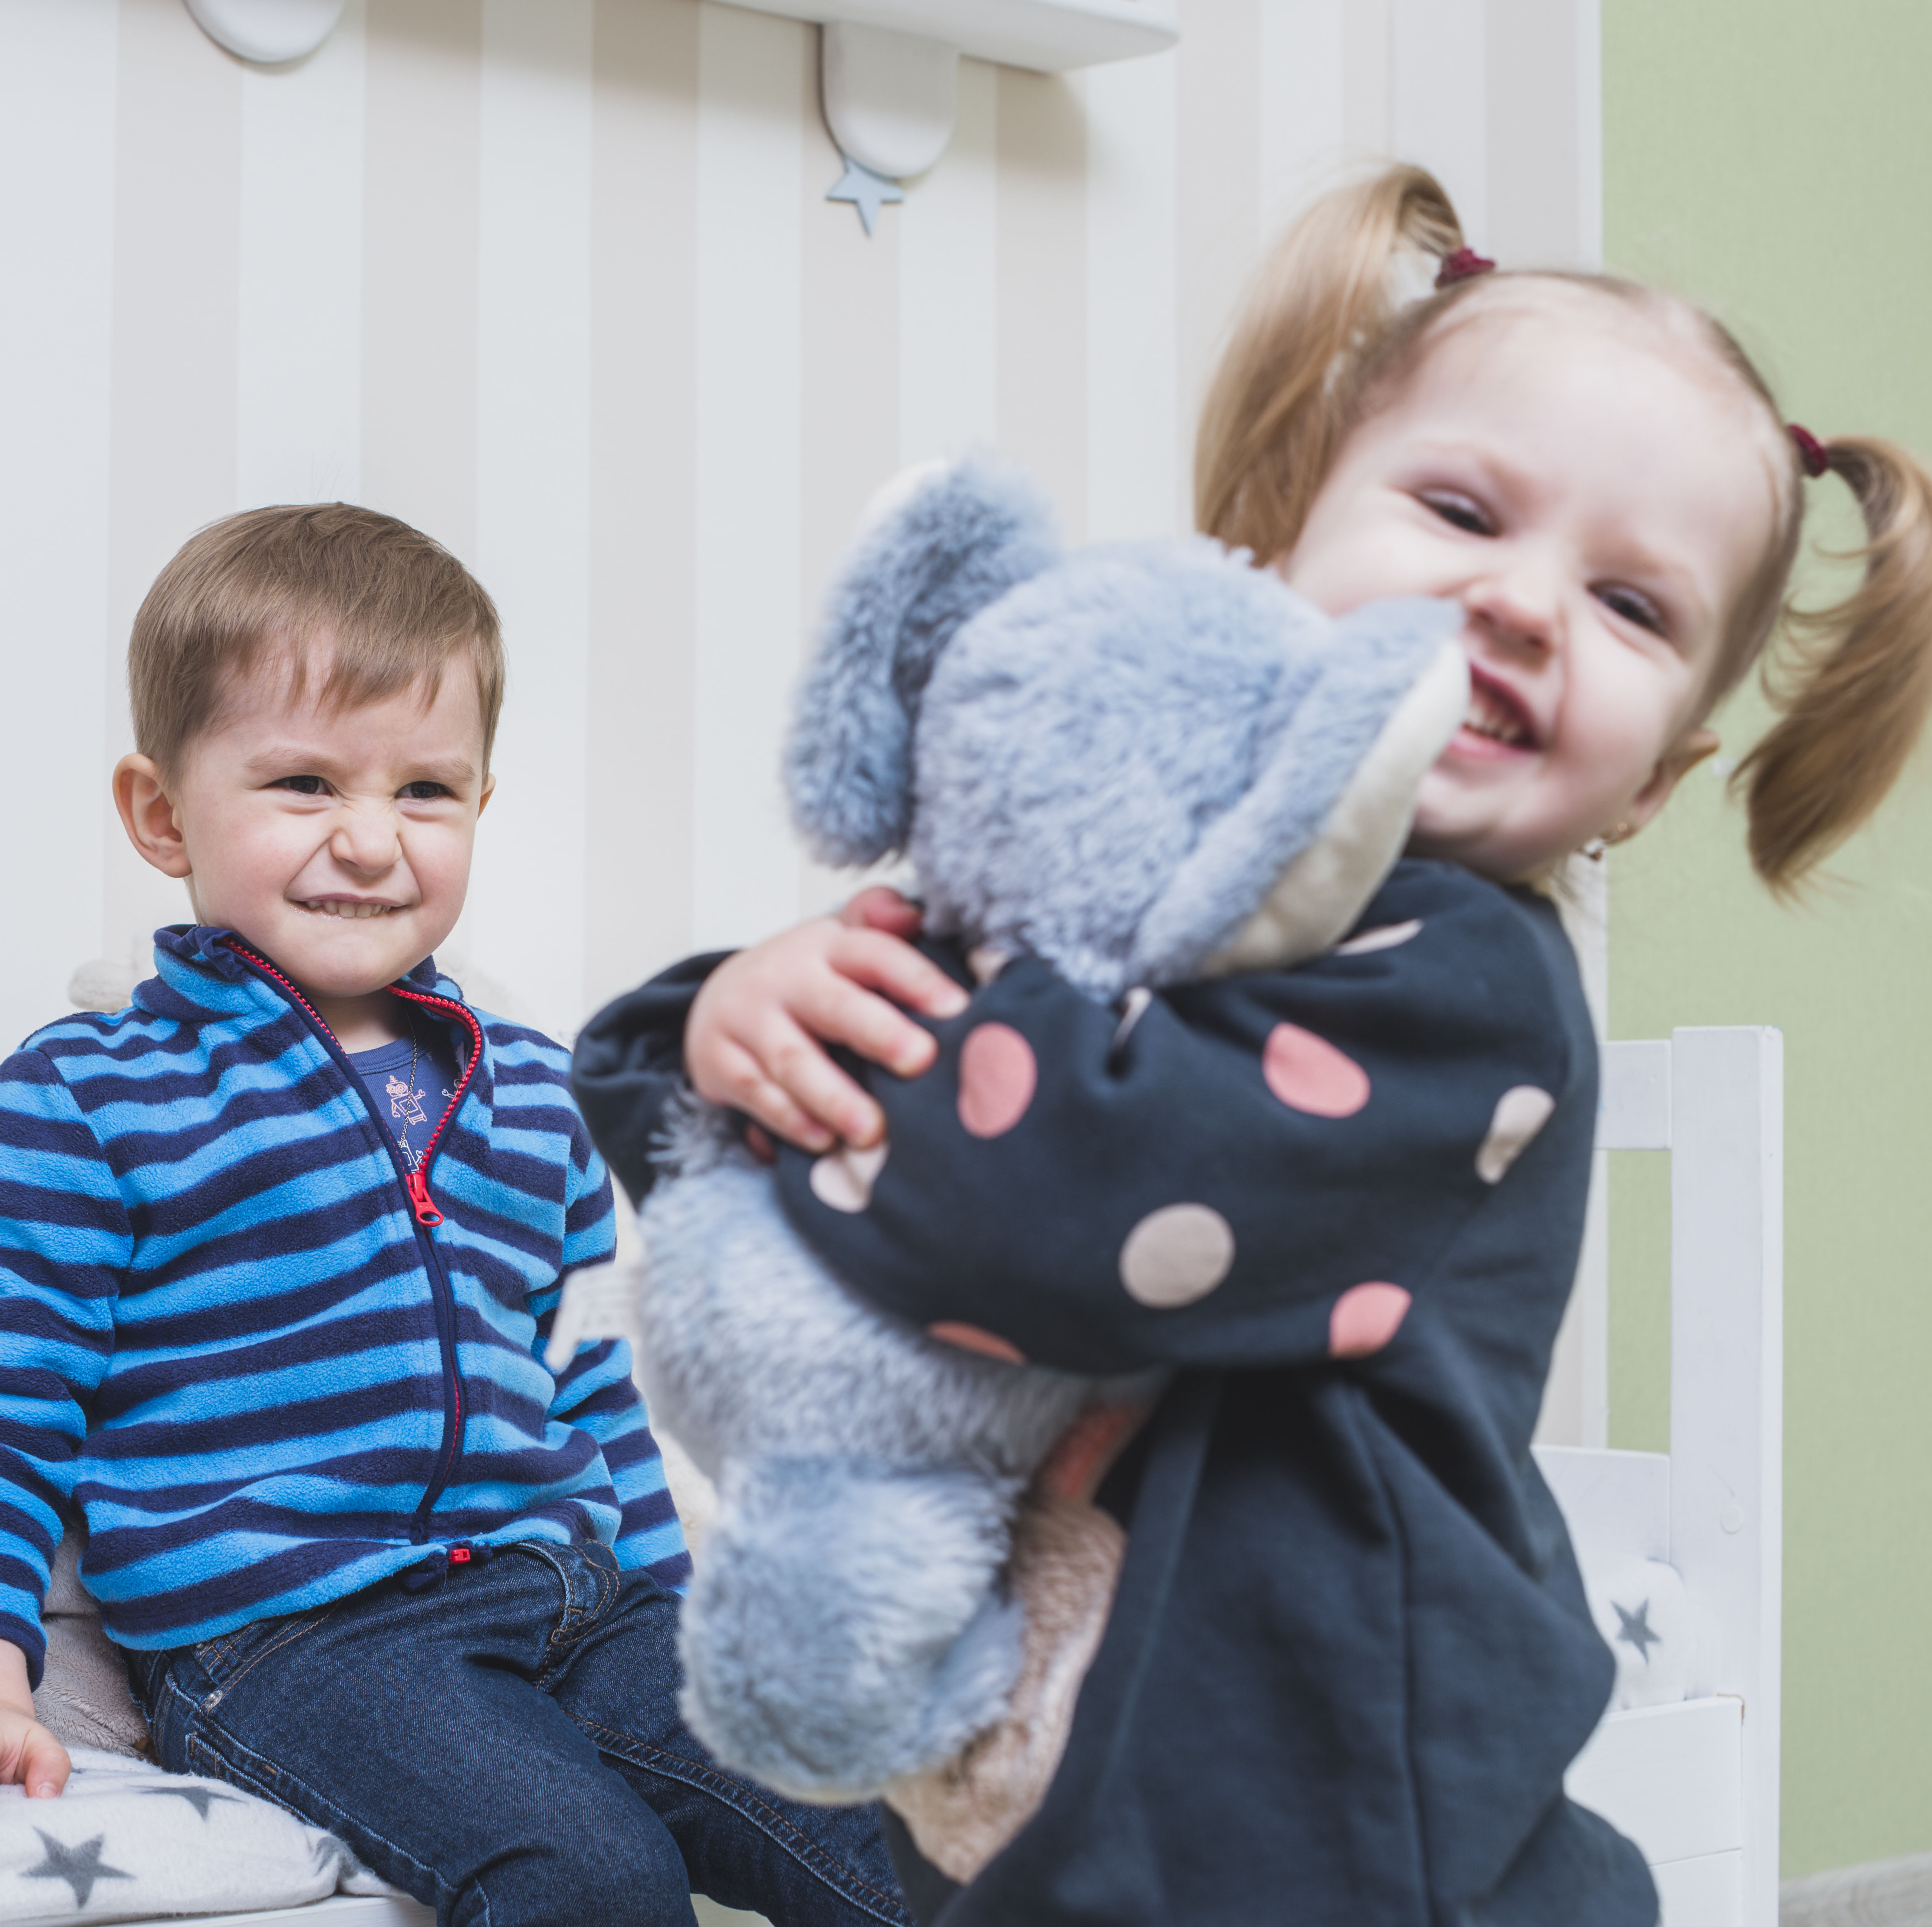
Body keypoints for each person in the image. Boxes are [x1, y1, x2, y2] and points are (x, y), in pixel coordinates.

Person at [571, 166, 1932, 1927]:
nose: (1526, 603)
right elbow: (858, 1114)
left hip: (1333, 1829)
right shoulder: (1149, 889)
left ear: (1653, 784)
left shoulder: (1469, 986)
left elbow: (1055, 1196)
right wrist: (732, 1014)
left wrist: (808, 1053)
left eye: (1631, 607)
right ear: (1279, 540)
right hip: (1086, 1796)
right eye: (1462, 509)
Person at [0, 504, 913, 1927]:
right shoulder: (91, 1096)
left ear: (481, 804)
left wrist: (684, 1614)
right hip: (297, 1641)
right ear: (163, 813)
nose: (371, 840)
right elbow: (18, 1393)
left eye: (425, 790)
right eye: (304, 783)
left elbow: (590, 1388)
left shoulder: (537, 1093)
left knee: (882, 1821)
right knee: (593, 1871)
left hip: (574, 1595)